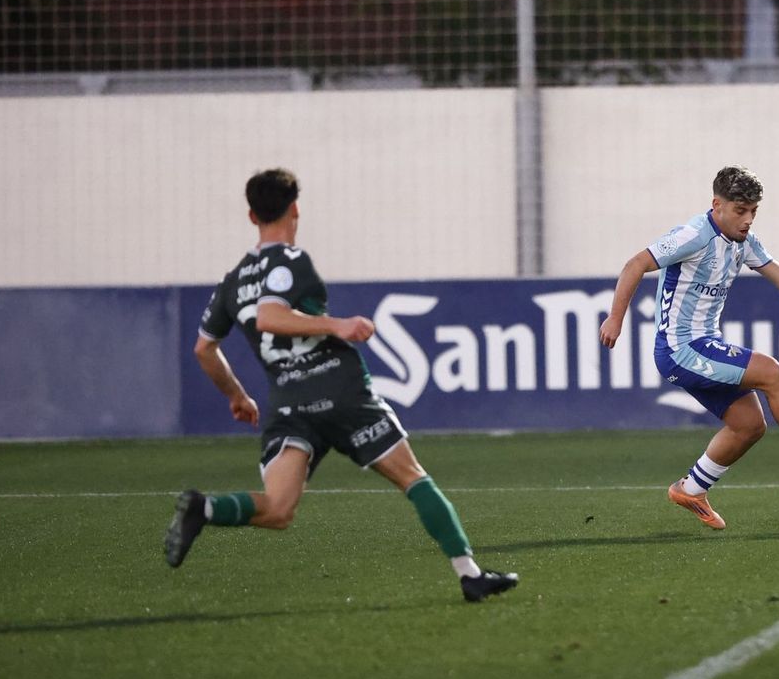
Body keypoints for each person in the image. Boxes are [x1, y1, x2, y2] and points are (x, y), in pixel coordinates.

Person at [164, 168, 518, 603]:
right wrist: (339, 324)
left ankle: (206, 509)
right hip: (341, 392)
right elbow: (270, 316)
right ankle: (469, 574)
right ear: (295, 209)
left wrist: (236, 396)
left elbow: (203, 349)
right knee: (413, 478)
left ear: (251, 215)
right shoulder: (291, 261)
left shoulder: (232, 282)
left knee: (278, 510)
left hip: (289, 404)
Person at [599, 165, 779, 529]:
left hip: (704, 345)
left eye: (753, 211)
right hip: (682, 349)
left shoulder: (744, 242)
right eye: (740, 211)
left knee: (749, 425)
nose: (747, 220)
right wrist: (616, 318)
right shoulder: (694, 234)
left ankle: (691, 489)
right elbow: (635, 264)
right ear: (717, 205)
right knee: (772, 373)